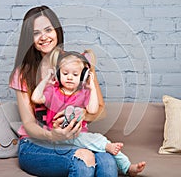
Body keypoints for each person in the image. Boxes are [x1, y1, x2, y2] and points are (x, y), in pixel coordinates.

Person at [9, 5, 119, 177]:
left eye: (48, 30)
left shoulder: (79, 63)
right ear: (29, 38)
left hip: (76, 139)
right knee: (83, 160)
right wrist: (53, 135)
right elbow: (29, 124)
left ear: (57, 31)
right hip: (36, 144)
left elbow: (100, 110)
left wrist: (82, 114)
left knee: (108, 162)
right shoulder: (22, 74)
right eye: (36, 33)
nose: (44, 37)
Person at [31, 48, 146, 176]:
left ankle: (127, 167)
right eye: (65, 73)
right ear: (58, 74)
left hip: (79, 136)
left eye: (75, 75)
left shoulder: (84, 93)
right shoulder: (52, 91)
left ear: (83, 76)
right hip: (59, 136)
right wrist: (46, 79)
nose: (69, 77)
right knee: (101, 141)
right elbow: (35, 98)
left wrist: (91, 87)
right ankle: (125, 165)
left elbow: (92, 110)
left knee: (99, 146)